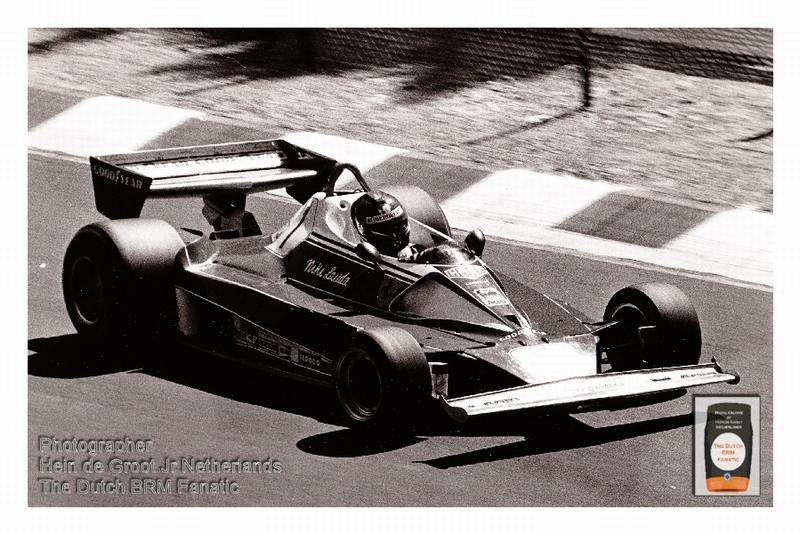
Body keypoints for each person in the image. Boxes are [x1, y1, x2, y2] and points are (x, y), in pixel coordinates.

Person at [352, 191, 423, 261]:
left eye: (399, 226)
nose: (396, 235)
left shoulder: (419, 250)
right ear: (363, 229)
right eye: (386, 229)